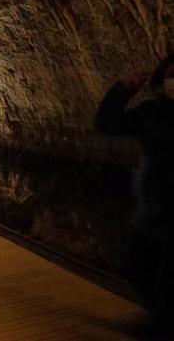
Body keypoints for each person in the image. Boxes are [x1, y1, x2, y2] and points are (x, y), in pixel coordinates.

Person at [95, 54, 174, 326]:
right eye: (171, 75)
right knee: (136, 267)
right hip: (152, 207)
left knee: (166, 281)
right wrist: (124, 89)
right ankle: (160, 316)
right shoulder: (152, 112)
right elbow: (107, 123)